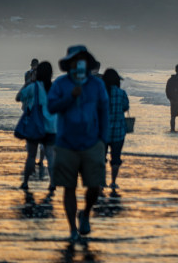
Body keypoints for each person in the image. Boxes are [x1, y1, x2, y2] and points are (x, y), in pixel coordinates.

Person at [48, 45, 109, 244]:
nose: (78, 64)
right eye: (75, 60)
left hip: (92, 142)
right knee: (69, 187)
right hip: (66, 143)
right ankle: (72, 229)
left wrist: (103, 140)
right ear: (69, 63)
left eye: (82, 60)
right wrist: (70, 96)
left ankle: (86, 213)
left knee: (94, 186)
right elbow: (51, 106)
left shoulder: (97, 85)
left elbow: (103, 111)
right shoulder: (60, 83)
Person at [16, 61, 57, 192]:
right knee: (51, 156)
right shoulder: (56, 87)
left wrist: (28, 82)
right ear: (51, 73)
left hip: (35, 126)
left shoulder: (34, 87)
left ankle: (26, 182)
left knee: (31, 156)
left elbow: (19, 97)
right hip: (51, 127)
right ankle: (52, 183)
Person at [102, 68, 130, 191]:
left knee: (101, 158)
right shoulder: (121, 93)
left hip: (102, 132)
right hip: (118, 132)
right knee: (116, 158)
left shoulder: (101, 93)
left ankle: (102, 181)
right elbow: (125, 107)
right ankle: (113, 182)